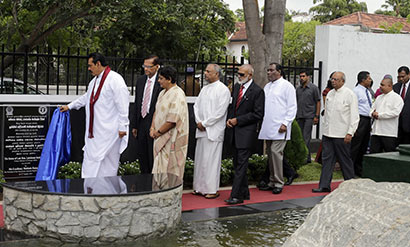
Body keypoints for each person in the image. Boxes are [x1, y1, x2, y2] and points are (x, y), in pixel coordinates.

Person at [60, 52, 129, 178]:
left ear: (98, 64)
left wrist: (123, 126)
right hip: (95, 131)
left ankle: (106, 192)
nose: (89, 68)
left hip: (111, 130)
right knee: (91, 159)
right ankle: (90, 189)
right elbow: (87, 98)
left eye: (90, 65)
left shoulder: (115, 80)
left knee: (108, 162)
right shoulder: (93, 82)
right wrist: (69, 106)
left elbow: (123, 104)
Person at [313, 71, 359, 193]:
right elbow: (327, 113)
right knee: (327, 160)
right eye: (332, 79)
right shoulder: (330, 94)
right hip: (328, 133)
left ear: (342, 81)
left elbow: (354, 116)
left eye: (336, 79)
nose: (333, 81)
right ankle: (324, 185)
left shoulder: (350, 94)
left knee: (345, 160)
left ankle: (350, 184)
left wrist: (350, 132)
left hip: (342, 134)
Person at [224, 64, 264, 205]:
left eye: (242, 74)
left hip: (246, 133)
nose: (239, 77)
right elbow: (233, 106)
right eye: (238, 74)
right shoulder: (236, 88)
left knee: (241, 165)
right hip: (234, 132)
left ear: (250, 75)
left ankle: (236, 195)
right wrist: (230, 120)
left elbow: (258, 114)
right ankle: (244, 192)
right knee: (237, 164)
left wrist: (238, 120)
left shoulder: (257, 91)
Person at [192, 64, 230, 199]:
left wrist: (205, 123)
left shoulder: (223, 90)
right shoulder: (204, 89)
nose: (205, 73)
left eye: (208, 71)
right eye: (205, 71)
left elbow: (220, 112)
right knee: (201, 160)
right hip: (201, 129)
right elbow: (196, 106)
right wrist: (199, 122)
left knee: (212, 161)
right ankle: (199, 187)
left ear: (217, 74)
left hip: (213, 130)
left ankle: (212, 189)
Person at [258, 63, 297, 194]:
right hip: (268, 125)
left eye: (271, 70)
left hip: (280, 127)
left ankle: (279, 182)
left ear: (279, 71)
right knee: (270, 154)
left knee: (276, 153)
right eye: (267, 70)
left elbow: (292, 107)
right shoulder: (267, 86)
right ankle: (272, 180)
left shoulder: (287, 86)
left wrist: (285, 123)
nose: (268, 72)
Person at [149, 66, 189, 179]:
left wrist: (158, 132)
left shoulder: (178, 94)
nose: (158, 81)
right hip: (158, 136)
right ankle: (158, 194)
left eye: (161, 78)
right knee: (158, 169)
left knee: (169, 169)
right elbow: (156, 112)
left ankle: (168, 196)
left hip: (171, 139)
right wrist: (152, 128)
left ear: (169, 79)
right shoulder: (162, 93)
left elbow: (173, 120)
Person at [131, 55, 162, 174]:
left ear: (157, 67)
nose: (146, 69)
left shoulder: (161, 82)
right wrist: (135, 125)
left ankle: (153, 180)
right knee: (142, 154)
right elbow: (137, 102)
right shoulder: (141, 81)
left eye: (149, 67)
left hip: (154, 122)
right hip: (141, 121)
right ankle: (144, 180)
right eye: (144, 66)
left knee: (152, 154)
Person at [370, 75, 404, 153]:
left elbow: (395, 113)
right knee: (374, 155)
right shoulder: (379, 97)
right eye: (380, 84)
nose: (380, 87)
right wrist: (372, 113)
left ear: (390, 86)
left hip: (388, 133)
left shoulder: (397, 98)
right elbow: (371, 109)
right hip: (376, 132)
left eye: (382, 85)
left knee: (390, 155)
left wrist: (379, 115)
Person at [351, 71, 373, 177]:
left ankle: (359, 168)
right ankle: (350, 169)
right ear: (363, 80)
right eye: (368, 78)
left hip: (367, 120)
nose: (370, 80)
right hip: (360, 119)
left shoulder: (367, 91)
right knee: (356, 145)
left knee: (364, 145)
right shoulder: (356, 91)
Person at [296, 70, 320, 164]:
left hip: (309, 116)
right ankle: (307, 157)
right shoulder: (298, 89)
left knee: (306, 137)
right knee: (301, 137)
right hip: (300, 115)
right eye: (300, 76)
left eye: (303, 76)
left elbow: (318, 101)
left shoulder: (313, 88)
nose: (302, 78)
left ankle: (304, 158)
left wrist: (316, 116)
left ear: (308, 77)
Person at [393, 66, 410, 144]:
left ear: (409, 75)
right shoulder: (396, 87)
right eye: (399, 77)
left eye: (403, 76)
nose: (401, 79)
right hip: (396, 124)